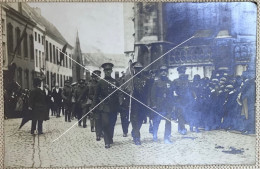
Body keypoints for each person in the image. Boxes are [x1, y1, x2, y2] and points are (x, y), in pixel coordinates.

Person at [93, 63, 119, 148]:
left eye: (109, 70)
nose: (108, 72)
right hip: (104, 107)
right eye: (106, 70)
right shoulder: (100, 83)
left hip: (114, 107)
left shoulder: (115, 82)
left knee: (112, 124)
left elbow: (118, 95)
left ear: (111, 71)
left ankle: (110, 137)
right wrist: (95, 107)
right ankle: (107, 141)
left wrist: (119, 106)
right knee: (105, 124)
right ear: (104, 71)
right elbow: (96, 96)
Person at [151, 65, 173, 143]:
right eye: (162, 71)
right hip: (159, 105)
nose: (163, 72)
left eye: (165, 71)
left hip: (167, 105)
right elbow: (153, 94)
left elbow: (171, 94)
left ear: (167, 72)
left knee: (168, 121)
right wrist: (154, 104)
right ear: (160, 72)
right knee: (157, 120)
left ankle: (167, 138)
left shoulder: (170, 82)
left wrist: (172, 104)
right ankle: (154, 134)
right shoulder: (156, 82)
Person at [130, 62, 148, 145]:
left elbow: (148, 91)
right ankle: (137, 138)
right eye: (136, 69)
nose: (138, 70)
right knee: (135, 119)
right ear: (134, 69)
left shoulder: (145, 79)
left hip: (143, 103)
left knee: (140, 120)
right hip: (134, 103)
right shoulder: (131, 79)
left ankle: (134, 131)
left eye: (140, 69)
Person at [88, 70, 103, 139]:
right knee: (96, 118)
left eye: (98, 76)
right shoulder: (92, 84)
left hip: (102, 104)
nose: (97, 77)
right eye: (96, 76)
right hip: (95, 103)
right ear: (93, 77)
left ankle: (102, 132)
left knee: (103, 118)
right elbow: (90, 95)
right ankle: (98, 134)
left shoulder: (102, 83)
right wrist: (95, 98)